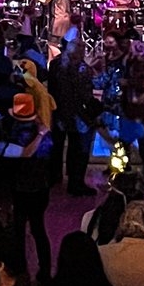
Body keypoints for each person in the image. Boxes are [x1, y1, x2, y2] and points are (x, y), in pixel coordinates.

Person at [0, 93, 55, 280]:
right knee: (38, 229)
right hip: (40, 188)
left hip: (20, 189)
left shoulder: (12, 133)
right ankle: (44, 271)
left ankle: (20, 269)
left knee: (19, 231)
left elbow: (19, 154)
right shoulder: (44, 134)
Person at [48, 39, 97, 196]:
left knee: (57, 146)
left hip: (58, 111)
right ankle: (75, 183)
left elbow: (51, 89)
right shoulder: (81, 68)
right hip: (77, 114)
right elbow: (84, 95)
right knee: (78, 150)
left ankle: (54, 176)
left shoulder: (55, 64)